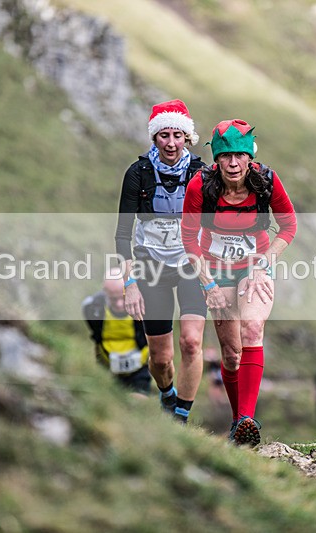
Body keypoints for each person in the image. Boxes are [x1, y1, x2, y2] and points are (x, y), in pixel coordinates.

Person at [181, 118, 297, 445]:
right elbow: (189, 239)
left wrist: (264, 263)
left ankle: (247, 417)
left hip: (254, 268)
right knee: (231, 355)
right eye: (225, 156)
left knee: (252, 328)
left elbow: (288, 227)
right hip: (214, 271)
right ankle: (238, 423)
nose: (233, 163)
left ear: (250, 157)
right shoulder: (200, 187)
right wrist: (208, 285)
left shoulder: (268, 182)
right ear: (215, 159)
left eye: (239, 156)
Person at [114, 99, 208, 424]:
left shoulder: (201, 173)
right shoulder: (137, 173)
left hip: (190, 266)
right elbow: (123, 234)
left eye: (177, 135)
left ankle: (180, 416)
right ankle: (167, 393)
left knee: (192, 342)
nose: (171, 143)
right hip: (151, 266)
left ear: (187, 138)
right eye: (164, 135)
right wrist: (130, 285)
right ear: (154, 138)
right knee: (161, 357)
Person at [82, 273, 151, 395]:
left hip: (139, 370)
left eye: (122, 297)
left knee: (137, 401)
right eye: (114, 299)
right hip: (107, 370)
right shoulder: (93, 309)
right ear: (105, 293)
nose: (119, 304)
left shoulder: (144, 306)